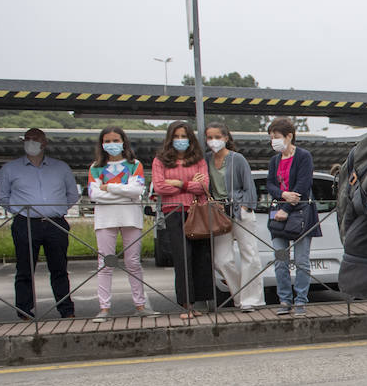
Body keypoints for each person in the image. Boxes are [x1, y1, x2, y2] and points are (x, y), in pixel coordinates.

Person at [0, 127, 80, 319]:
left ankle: (66, 309)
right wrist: (19, 211)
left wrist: (56, 209)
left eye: (35, 138)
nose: (30, 142)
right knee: (24, 268)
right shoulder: (10, 169)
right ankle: (24, 310)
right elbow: (2, 197)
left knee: (59, 268)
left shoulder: (61, 167)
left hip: (55, 223)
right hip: (25, 223)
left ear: (44, 143)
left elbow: (72, 195)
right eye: (27, 139)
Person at [87, 127, 151, 321]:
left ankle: (140, 305)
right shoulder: (95, 167)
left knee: (133, 262)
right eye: (108, 141)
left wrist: (109, 188)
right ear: (102, 144)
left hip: (131, 217)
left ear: (123, 142)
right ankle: (104, 307)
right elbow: (94, 194)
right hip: (105, 219)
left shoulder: (135, 165)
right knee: (105, 263)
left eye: (116, 140)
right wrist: (122, 192)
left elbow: (137, 191)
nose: (112, 144)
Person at [152, 121, 214, 321]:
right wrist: (190, 184)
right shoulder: (160, 160)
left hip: (197, 212)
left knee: (199, 256)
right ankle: (186, 304)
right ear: (170, 138)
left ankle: (200, 302)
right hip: (174, 212)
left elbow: (204, 185)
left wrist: (179, 183)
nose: (180, 140)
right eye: (176, 136)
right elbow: (160, 187)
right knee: (182, 257)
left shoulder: (199, 160)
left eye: (184, 136)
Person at [265, 117, 322, 317]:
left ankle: (300, 300)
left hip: (300, 215)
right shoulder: (274, 160)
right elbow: (270, 184)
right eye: (271, 138)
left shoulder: (304, 156)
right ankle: (284, 299)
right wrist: (282, 195)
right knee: (280, 259)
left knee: (301, 260)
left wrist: (287, 207)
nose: (274, 141)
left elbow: (303, 185)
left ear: (289, 136)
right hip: (277, 214)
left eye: (277, 137)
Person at [205, 123, 265, 313]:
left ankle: (252, 300)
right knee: (221, 259)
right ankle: (239, 296)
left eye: (217, 137)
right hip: (219, 214)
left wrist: (247, 205)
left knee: (250, 255)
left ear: (226, 138)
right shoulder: (206, 159)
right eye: (209, 137)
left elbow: (248, 184)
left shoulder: (237, 159)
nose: (213, 141)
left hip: (240, 211)